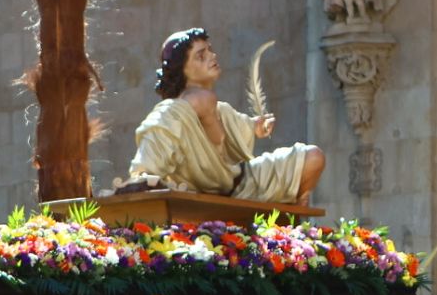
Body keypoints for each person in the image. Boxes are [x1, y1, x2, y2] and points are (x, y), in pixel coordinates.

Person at [125, 28, 325, 205]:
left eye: (210, 50)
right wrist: (144, 175)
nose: (212, 56)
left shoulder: (221, 109)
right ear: (181, 69)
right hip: (200, 198)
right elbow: (147, 165)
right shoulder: (172, 112)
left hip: (243, 185)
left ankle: (297, 224)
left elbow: (240, 130)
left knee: (312, 158)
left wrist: (256, 127)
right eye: (201, 56)